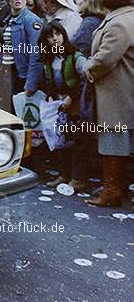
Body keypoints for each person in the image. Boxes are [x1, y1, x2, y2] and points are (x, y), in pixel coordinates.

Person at [84, 0, 134, 207]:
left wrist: (87, 67)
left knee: (112, 144)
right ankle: (118, 187)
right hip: (125, 91)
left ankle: (112, 191)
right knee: (120, 144)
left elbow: (105, 58)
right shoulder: (127, 17)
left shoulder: (118, 23)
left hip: (116, 93)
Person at [36, 22, 89, 191]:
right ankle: (64, 175)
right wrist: (51, 95)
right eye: (50, 36)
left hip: (77, 105)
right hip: (59, 105)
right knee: (61, 140)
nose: (54, 38)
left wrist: (71, 98)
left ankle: (78, 179)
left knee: (78, 142)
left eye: (57, 34)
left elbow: (85, 80)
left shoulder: (76, 56)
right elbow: (48, 81)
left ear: (64, 35)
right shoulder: (48, 58)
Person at [1, 0, 43, 97]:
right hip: (9, 73)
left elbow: (36, 54)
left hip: (22, 75)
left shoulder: (31, 20)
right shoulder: (8, 20)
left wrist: (30, 84)